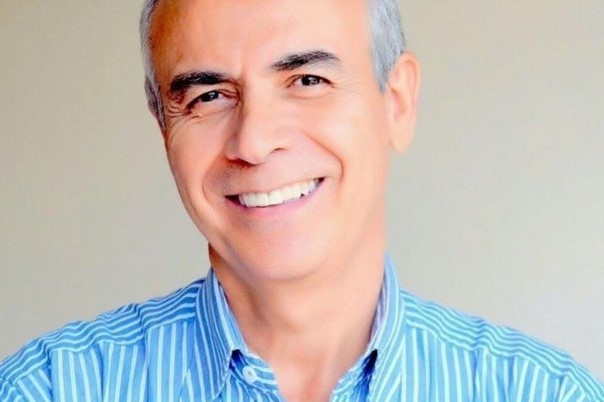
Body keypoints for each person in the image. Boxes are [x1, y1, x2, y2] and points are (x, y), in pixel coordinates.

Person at [0, 0, 602, 401]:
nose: (254, 142)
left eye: (307, 80)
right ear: (163, 128)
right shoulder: (49, 389)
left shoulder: (543, 392)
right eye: (209, 96)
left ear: (397, 103)